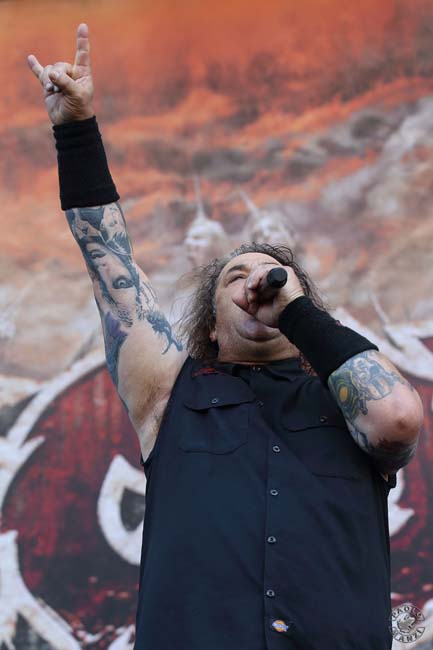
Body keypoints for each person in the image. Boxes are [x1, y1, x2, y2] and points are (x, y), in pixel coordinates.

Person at [27, 24, 424, 650]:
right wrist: (76, 129)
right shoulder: (170, 392)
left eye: (271, 277)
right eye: (235, 278)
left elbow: (397, 420)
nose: (255, 283)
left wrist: (295, 312)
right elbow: (109, 263)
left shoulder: (348, 405)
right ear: (211, 323)